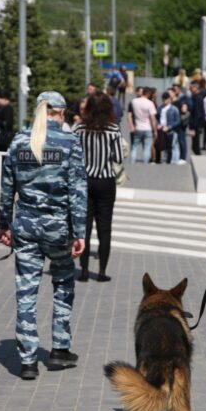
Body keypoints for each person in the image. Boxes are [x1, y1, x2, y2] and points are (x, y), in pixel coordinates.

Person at [0, 91, 88, 380]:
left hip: (25, 227)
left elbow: (6, 190)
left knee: (26, 291)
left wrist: (4, 226)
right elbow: (78, 192)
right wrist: (81, 233)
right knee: (63, 282)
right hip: (59, 229)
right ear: (60, 113)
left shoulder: (19, 142)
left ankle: (27, 361)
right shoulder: (70, 142)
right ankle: (60, 348)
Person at [73, 92, 122, 282]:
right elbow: (117, 157)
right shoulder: (113, 129)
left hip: (84, 181)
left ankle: (83, 270)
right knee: (104, 228)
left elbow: (74, 155)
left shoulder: (80, 129)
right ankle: (101, 271)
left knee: (84, 227)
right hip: (105, 181)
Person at [128, 86, 157, 164]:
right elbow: (152, 118)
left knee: (134, 146)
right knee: (147, 147)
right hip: (147, 128)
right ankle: (145, 163)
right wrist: (155, 130)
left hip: (138, 127)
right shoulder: (150, 103)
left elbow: (130, 114)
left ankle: (132, 162)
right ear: (148, 93)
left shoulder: (134, 101)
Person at [189, 79, 206, 156]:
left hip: (196, 124)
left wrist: (193, 128)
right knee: (195, 146)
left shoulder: (197, 98)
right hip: (196, 123)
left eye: (191, 87)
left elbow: (198, 113)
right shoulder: (195, 96)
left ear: (195, 88)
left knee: (195, 146)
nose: (190, 89)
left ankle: (199, 156)